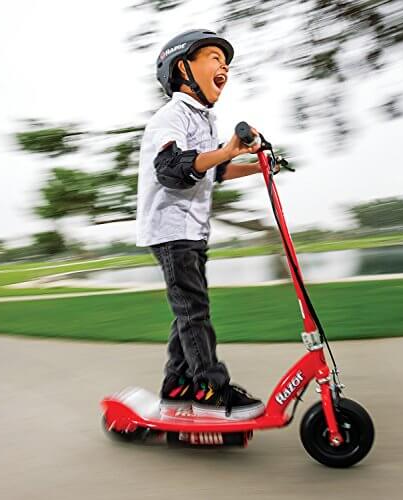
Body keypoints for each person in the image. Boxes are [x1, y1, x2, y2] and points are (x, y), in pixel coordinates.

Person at [136, 29, 265, 420]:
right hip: (170, 230)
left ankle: (176, 385)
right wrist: (225, 150)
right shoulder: (170, 117)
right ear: (183, 68)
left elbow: (216, 169)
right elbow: (172, 167)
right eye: (212, 56)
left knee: (188, 311)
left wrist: (260, 165)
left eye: (225, 60)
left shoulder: (204, 119)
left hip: (191, 231)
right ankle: (211, 387)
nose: (223, 65)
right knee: (194, 312)